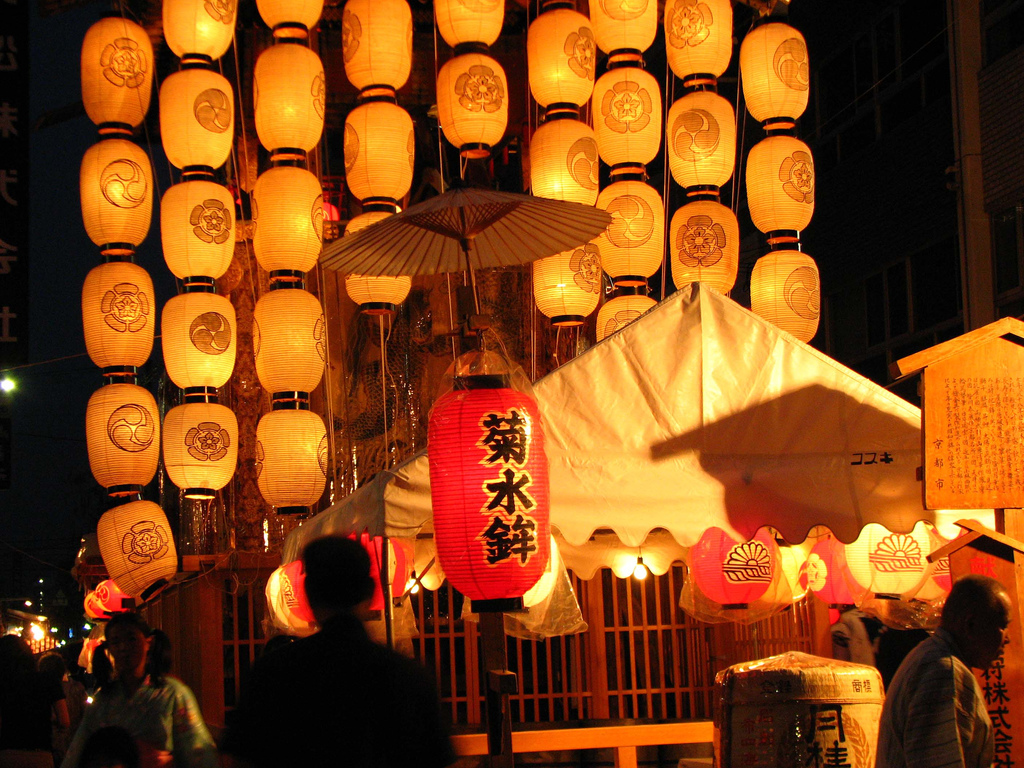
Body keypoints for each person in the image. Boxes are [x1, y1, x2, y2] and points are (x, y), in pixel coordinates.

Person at [222, 536, 456, 768]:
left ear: (309, 593)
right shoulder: (408, 675)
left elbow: (244, 758)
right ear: (371, 591)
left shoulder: (273, 672)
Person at [877, 574, 1013, 768]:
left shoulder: (932, 657)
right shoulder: (943, 670)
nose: (1007, 639)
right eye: (1003, 626)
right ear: (970, 625)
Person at [60, 613, 218, 768]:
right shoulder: (102, 700)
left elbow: (199, 753)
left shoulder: (173, 693)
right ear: (109, 648)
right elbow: (78, 753)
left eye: (131, 639)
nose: (123, 647)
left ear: (149, 642)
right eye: (116, 641)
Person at [0, 635, 70, 768]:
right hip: (40, 755)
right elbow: (64, 721)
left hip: (7, 755)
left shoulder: (3, 683)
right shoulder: (48, 680)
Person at [38, 652, 88, 766]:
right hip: (73, 747)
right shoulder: (77, 688)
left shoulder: (40, 693)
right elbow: (85, 717)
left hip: (50, 750)